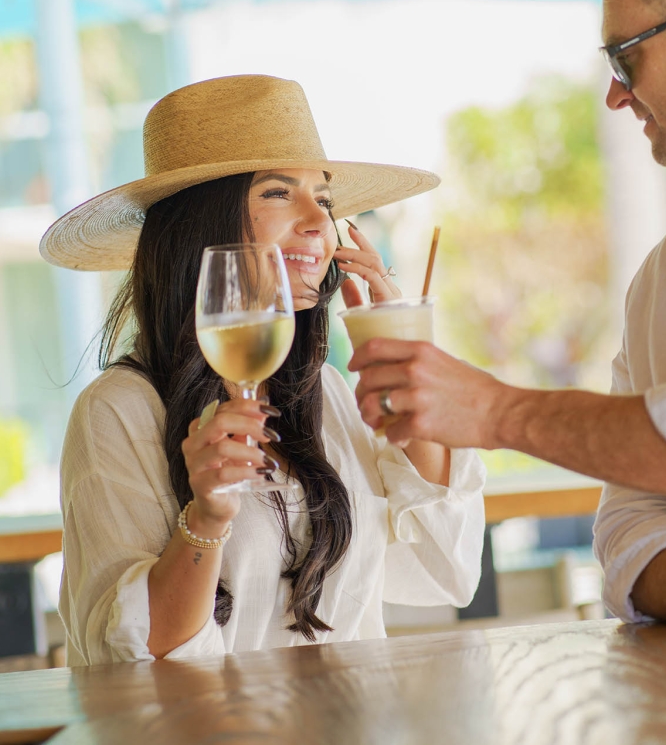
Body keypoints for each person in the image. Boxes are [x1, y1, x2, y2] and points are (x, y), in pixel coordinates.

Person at [40, 74, 485, 665]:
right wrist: (207, 517)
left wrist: (407, 374)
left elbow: (443, 573)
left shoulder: (324, 390)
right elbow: (134, 658)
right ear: (204, 225)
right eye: (279, 193)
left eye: (323, 200)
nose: (318, 223)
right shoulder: (118, 412)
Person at [349, 0, 666, 623]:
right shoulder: (661, 280)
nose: (614, 95)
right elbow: (628, 533)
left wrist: (494, 411)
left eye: (625, 57)